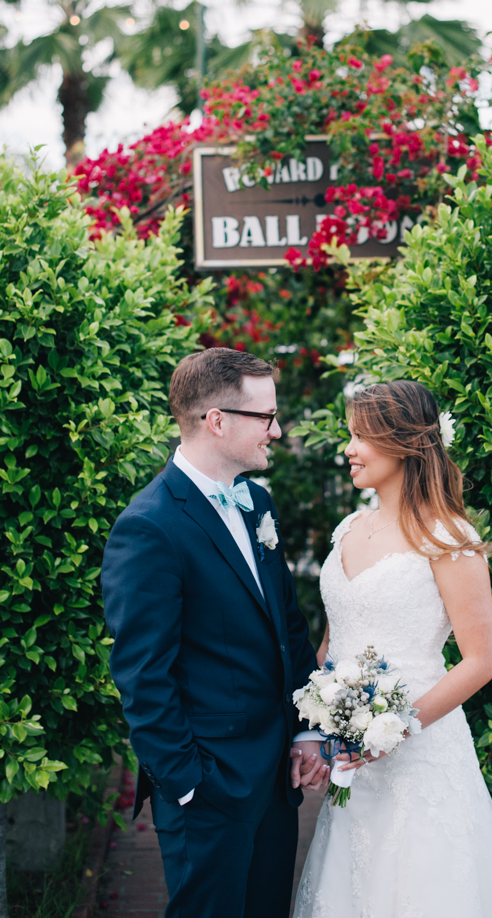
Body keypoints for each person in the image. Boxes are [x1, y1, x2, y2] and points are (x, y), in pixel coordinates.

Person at [293, 380, 492, 918]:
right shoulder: (348, 529)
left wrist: (398, 726)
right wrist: (316, 724)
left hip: (423, 752)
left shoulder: (449, 538)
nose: (348, 449)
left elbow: (482, 659)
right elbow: (334, 643)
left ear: (403, 444)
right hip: (353, 758)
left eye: (361, 437)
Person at [102, 347, 328, 918]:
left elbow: (287, 628)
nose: (277, 431)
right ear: (218, 421)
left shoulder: (257, 503)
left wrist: (304, 730)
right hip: (208, 788)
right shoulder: (149, 527)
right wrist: (187, 784)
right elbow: (141, 674)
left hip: (277, 779)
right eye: (266, 416)